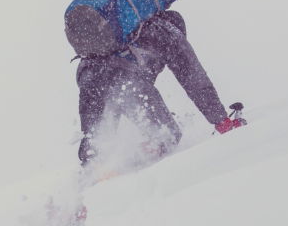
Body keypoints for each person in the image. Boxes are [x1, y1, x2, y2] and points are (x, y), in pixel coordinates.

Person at [76, 9, 245, 165]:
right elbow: (195, 80)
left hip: (87, 75)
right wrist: (222, 120)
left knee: (96, 142)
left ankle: (89, 178)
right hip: (124, 82)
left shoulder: (127, 32)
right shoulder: (168, 33)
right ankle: (130, 170)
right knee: (167, 135)